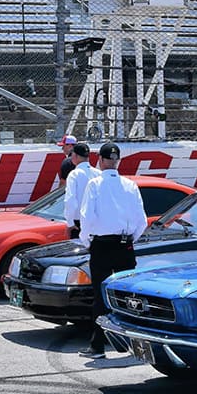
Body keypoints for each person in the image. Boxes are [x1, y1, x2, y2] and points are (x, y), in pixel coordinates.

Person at [77, 142, 147, 359]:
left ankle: (97, 346)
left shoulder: (95, 184)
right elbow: (141, 221)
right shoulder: (130, 185)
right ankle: (136, 346)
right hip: (125, 246)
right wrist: (128, 240)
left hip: (102, 245)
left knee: (101, 296)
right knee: (130, 296)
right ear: (118, 161)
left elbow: (87, 218)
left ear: (100, 160)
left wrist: (88, 241)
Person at [63, 142, 100, 239]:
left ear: (75, 155)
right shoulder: (99, 173)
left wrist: (70, 223)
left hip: (79, 222)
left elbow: (70, 200)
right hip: (97, 221)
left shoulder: (74, 174)